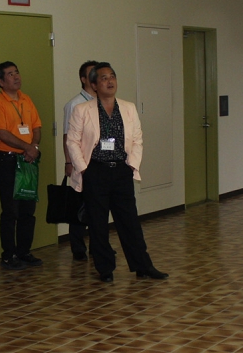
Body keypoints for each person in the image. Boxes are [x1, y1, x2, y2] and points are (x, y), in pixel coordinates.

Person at [66, 63, 168, 283]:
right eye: (103, 78)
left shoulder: (128, 108)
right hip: (95, 171)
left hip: (121, 170)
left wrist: (132, 165)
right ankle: (105, 268)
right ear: (94, 85)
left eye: (112, 76)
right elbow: (72, 141)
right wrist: (84, 169)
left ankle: (142, 265)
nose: (109, 81)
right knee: (98, 223)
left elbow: (137, 139)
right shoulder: (82, 110)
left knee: (129, 221)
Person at [0, 62, 43, 270]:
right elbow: (1, 133)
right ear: (1, 81)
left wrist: (33, 147)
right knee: (11, 211)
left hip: (28, 160)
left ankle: (24, 252)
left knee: (28, 209)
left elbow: (36, 126)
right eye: (10, 74)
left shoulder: (26, 99)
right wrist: (28, 147)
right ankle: (8, 255)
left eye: (17, 72)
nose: (16, 76)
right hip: (8, 161)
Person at [61, 60, 99, 261]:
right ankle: (78, 248)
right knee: (79, 206)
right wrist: (69, 162)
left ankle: (98, 246)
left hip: (100, 163)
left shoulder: (103, 101)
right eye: (92, 73)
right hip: (80, 163)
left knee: (97, 207)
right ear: (83, 79)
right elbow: (67, 136)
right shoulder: (75, 104)